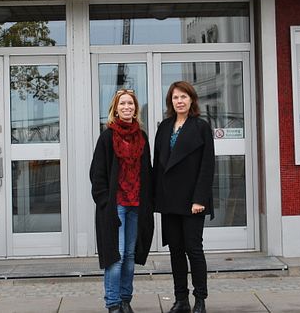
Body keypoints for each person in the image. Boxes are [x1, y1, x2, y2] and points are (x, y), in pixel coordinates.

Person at [90, 89, 154, 313]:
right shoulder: (107, 137)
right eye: (123, 104)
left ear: (136, 109)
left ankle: (126, 300)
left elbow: (147, 171)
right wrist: (105, 204)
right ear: (115, 109)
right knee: (114, 257)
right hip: (115, 207)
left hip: (136, 205)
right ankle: (113, 303)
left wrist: (150, 201)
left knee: (128, 256)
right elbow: (97, 175)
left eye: (131, 104)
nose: (127, 107)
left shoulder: (142, 136)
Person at [153, 81, 215, 313]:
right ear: (171, 101)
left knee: (194, 250)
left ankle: (200, 300)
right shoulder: (164, 126)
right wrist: (155, 198)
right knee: (176, 251)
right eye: (175, 97)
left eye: (183, 97)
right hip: (169, 201)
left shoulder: (200, 127)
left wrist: (200, 199)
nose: (179, 101)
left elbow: (207, 166)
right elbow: (157, 165)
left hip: (192, 202)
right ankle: (181, 300)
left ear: (191, 100)